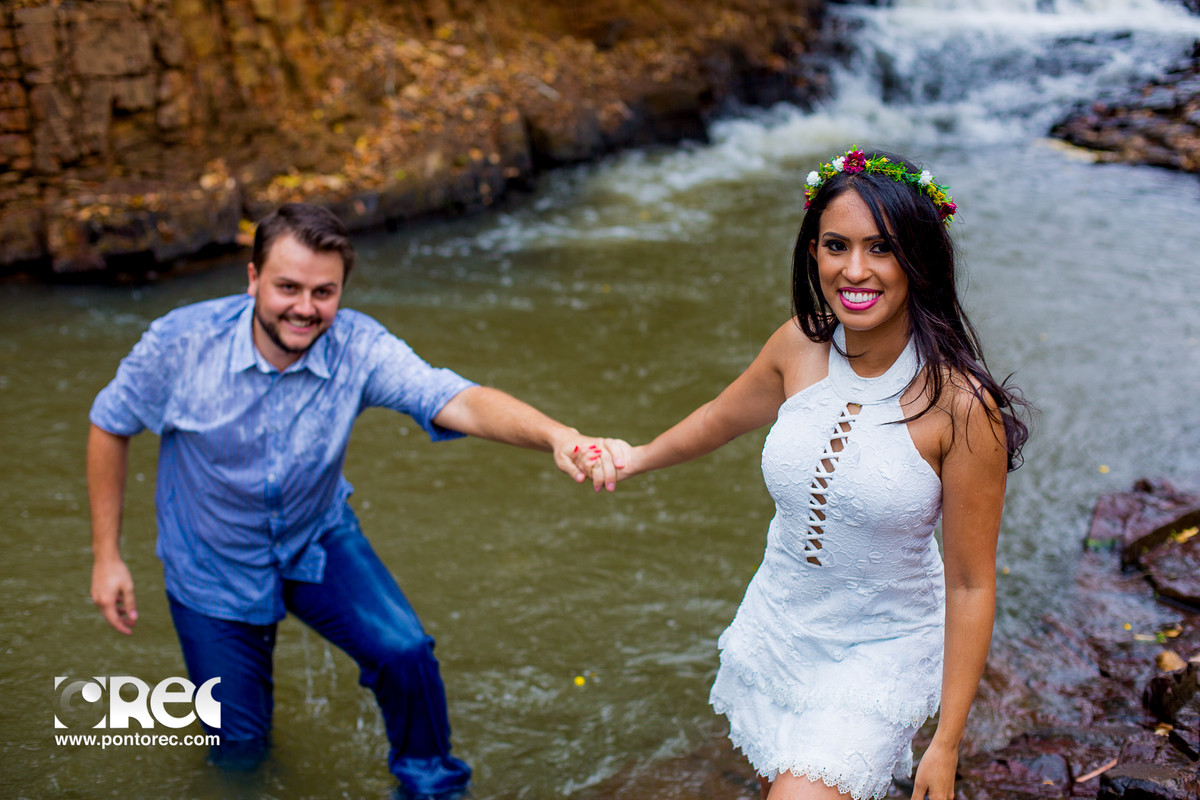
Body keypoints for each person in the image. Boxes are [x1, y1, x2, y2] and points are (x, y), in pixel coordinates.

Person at [87, 202, 620, 799]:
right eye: (288, 287)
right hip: (210, 564)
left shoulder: (358, 347)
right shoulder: (180, 344)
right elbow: (110, 424)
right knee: (239, 749)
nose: (305, 308)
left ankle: (433, 788)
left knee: (405, 652)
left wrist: (556, 434)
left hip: (315, 536)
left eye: (324, 292)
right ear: (253, 279)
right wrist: (107, 555)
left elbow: (455, 398)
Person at [582, 148, 1030, 800]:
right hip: (780, 627)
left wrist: (947, 742)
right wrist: (637, 456)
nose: (855, 270)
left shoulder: (960, 408)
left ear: (920, 258)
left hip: (880, 649)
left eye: (882, 248)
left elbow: (970, 584)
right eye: (836, 245)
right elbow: (719, 418)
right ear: (813, 251)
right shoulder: (798, 345)